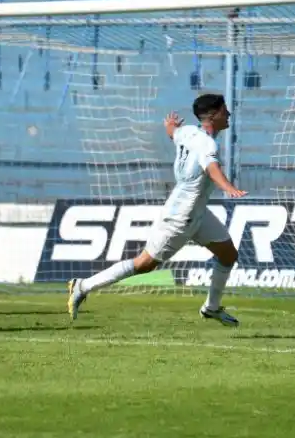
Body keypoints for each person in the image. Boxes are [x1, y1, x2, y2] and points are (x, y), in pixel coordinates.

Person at [67, 93, 247, 326]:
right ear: (212, 115)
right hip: (181, 216)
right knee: (144, 263)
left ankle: (211, 308)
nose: (228, 114)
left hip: (198, 213)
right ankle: (82, 286)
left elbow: (173, 133)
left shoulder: (188, 132)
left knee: (228, 254)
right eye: (224, 110)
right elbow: (212, 168)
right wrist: (229, 188)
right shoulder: (207, 144)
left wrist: (170, 125)